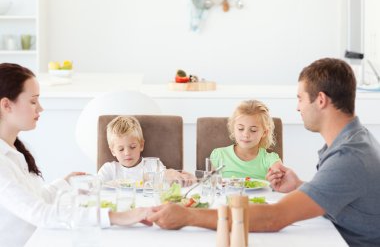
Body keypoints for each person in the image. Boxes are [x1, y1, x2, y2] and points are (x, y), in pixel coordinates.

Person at [147, 58, 380, 247]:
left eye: (300, 98)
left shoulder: (348, 156)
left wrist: (187, 217)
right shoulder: (354, 139)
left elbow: (274, 218)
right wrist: (299, 186)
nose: (297, 107)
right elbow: (341, 194)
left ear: (320, 100)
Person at [0, 63, 152, 247]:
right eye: (33, 101)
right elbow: (40, 213)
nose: (40, 108)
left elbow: (35, 198)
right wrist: (116, 217)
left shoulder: (14, 151)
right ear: (6, 105)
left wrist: (65, 182)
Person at [98, 115, 194, 185]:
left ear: (141, 145)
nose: (127, 153)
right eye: (121, 149)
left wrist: (176, 175)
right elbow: (94, 186)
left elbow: (166, 177)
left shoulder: (152, 165)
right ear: (113, 151)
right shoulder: (109, 170)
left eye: (132, 147)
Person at [210, 100, 282, 179]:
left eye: (253, 130)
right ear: (234, 129)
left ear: (264, 132)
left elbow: (280, 174)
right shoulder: (219, 155)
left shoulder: (270, 159)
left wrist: (278, 174)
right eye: (240, 129)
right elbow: (213, 185)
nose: (246, 135)